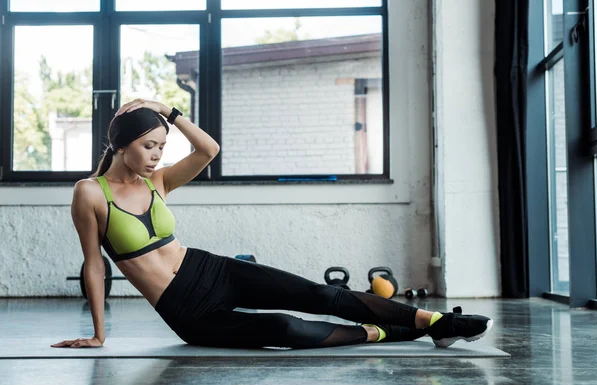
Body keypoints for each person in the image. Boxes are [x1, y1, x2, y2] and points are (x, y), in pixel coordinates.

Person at [51, 99, 493, 350]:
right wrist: (98, 333)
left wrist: (169, 111)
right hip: (185, 309)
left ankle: (436, 322)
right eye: (149, 146)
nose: (157, 156)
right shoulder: (90, 193)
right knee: (284, 328)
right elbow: (94, 264)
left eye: (162, 146)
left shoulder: (160, 181)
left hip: (210, 268)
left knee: (318, 293)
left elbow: (208, 150)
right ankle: (387, 331)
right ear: (122, 145)